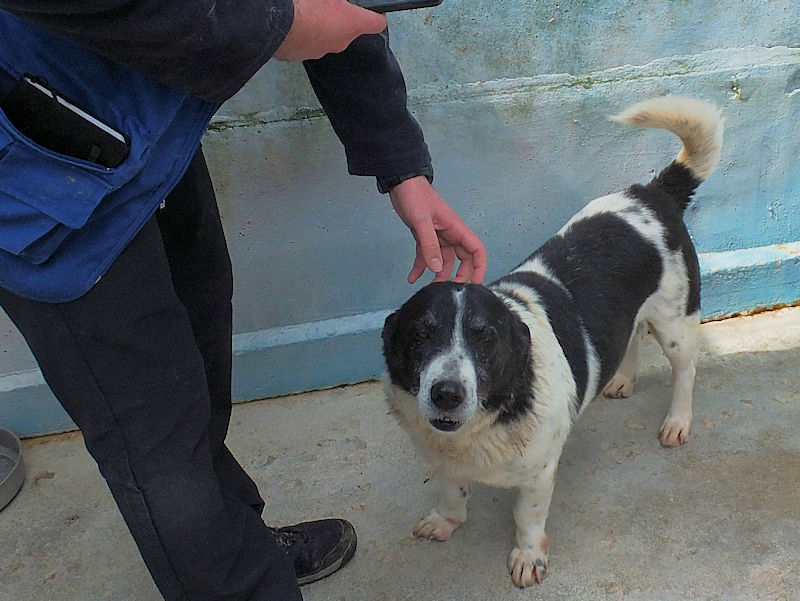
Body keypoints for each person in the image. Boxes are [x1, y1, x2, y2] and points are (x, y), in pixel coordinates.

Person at [0, 1, 486, 599]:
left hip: (146, 126)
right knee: (156, 445)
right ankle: (241, 584)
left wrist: (400, 164)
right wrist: (278, 25)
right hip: (34, 171)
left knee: (201, 376)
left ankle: (236, 548)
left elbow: (340, 9)